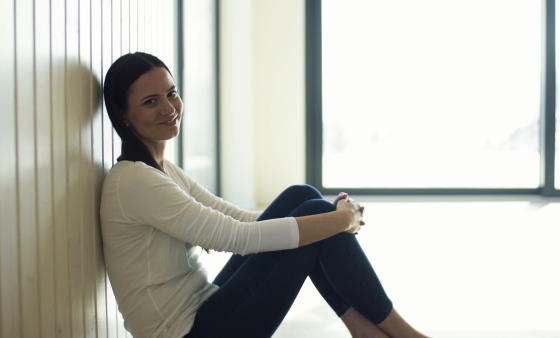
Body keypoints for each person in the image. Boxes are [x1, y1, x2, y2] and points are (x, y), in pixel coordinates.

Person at [100, 52, 428, 338]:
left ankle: (364, 330)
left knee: (302, 197)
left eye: (171, 93)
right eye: (150, 101)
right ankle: (404, 336)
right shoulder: (135, 182)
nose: (169, 108)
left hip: (204, 309)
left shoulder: (160, 170)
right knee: (314, 212)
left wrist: (330, 221)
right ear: (124, 115)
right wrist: (340, 219)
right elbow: (239, 238)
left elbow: (242, 218)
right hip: (188, 332)